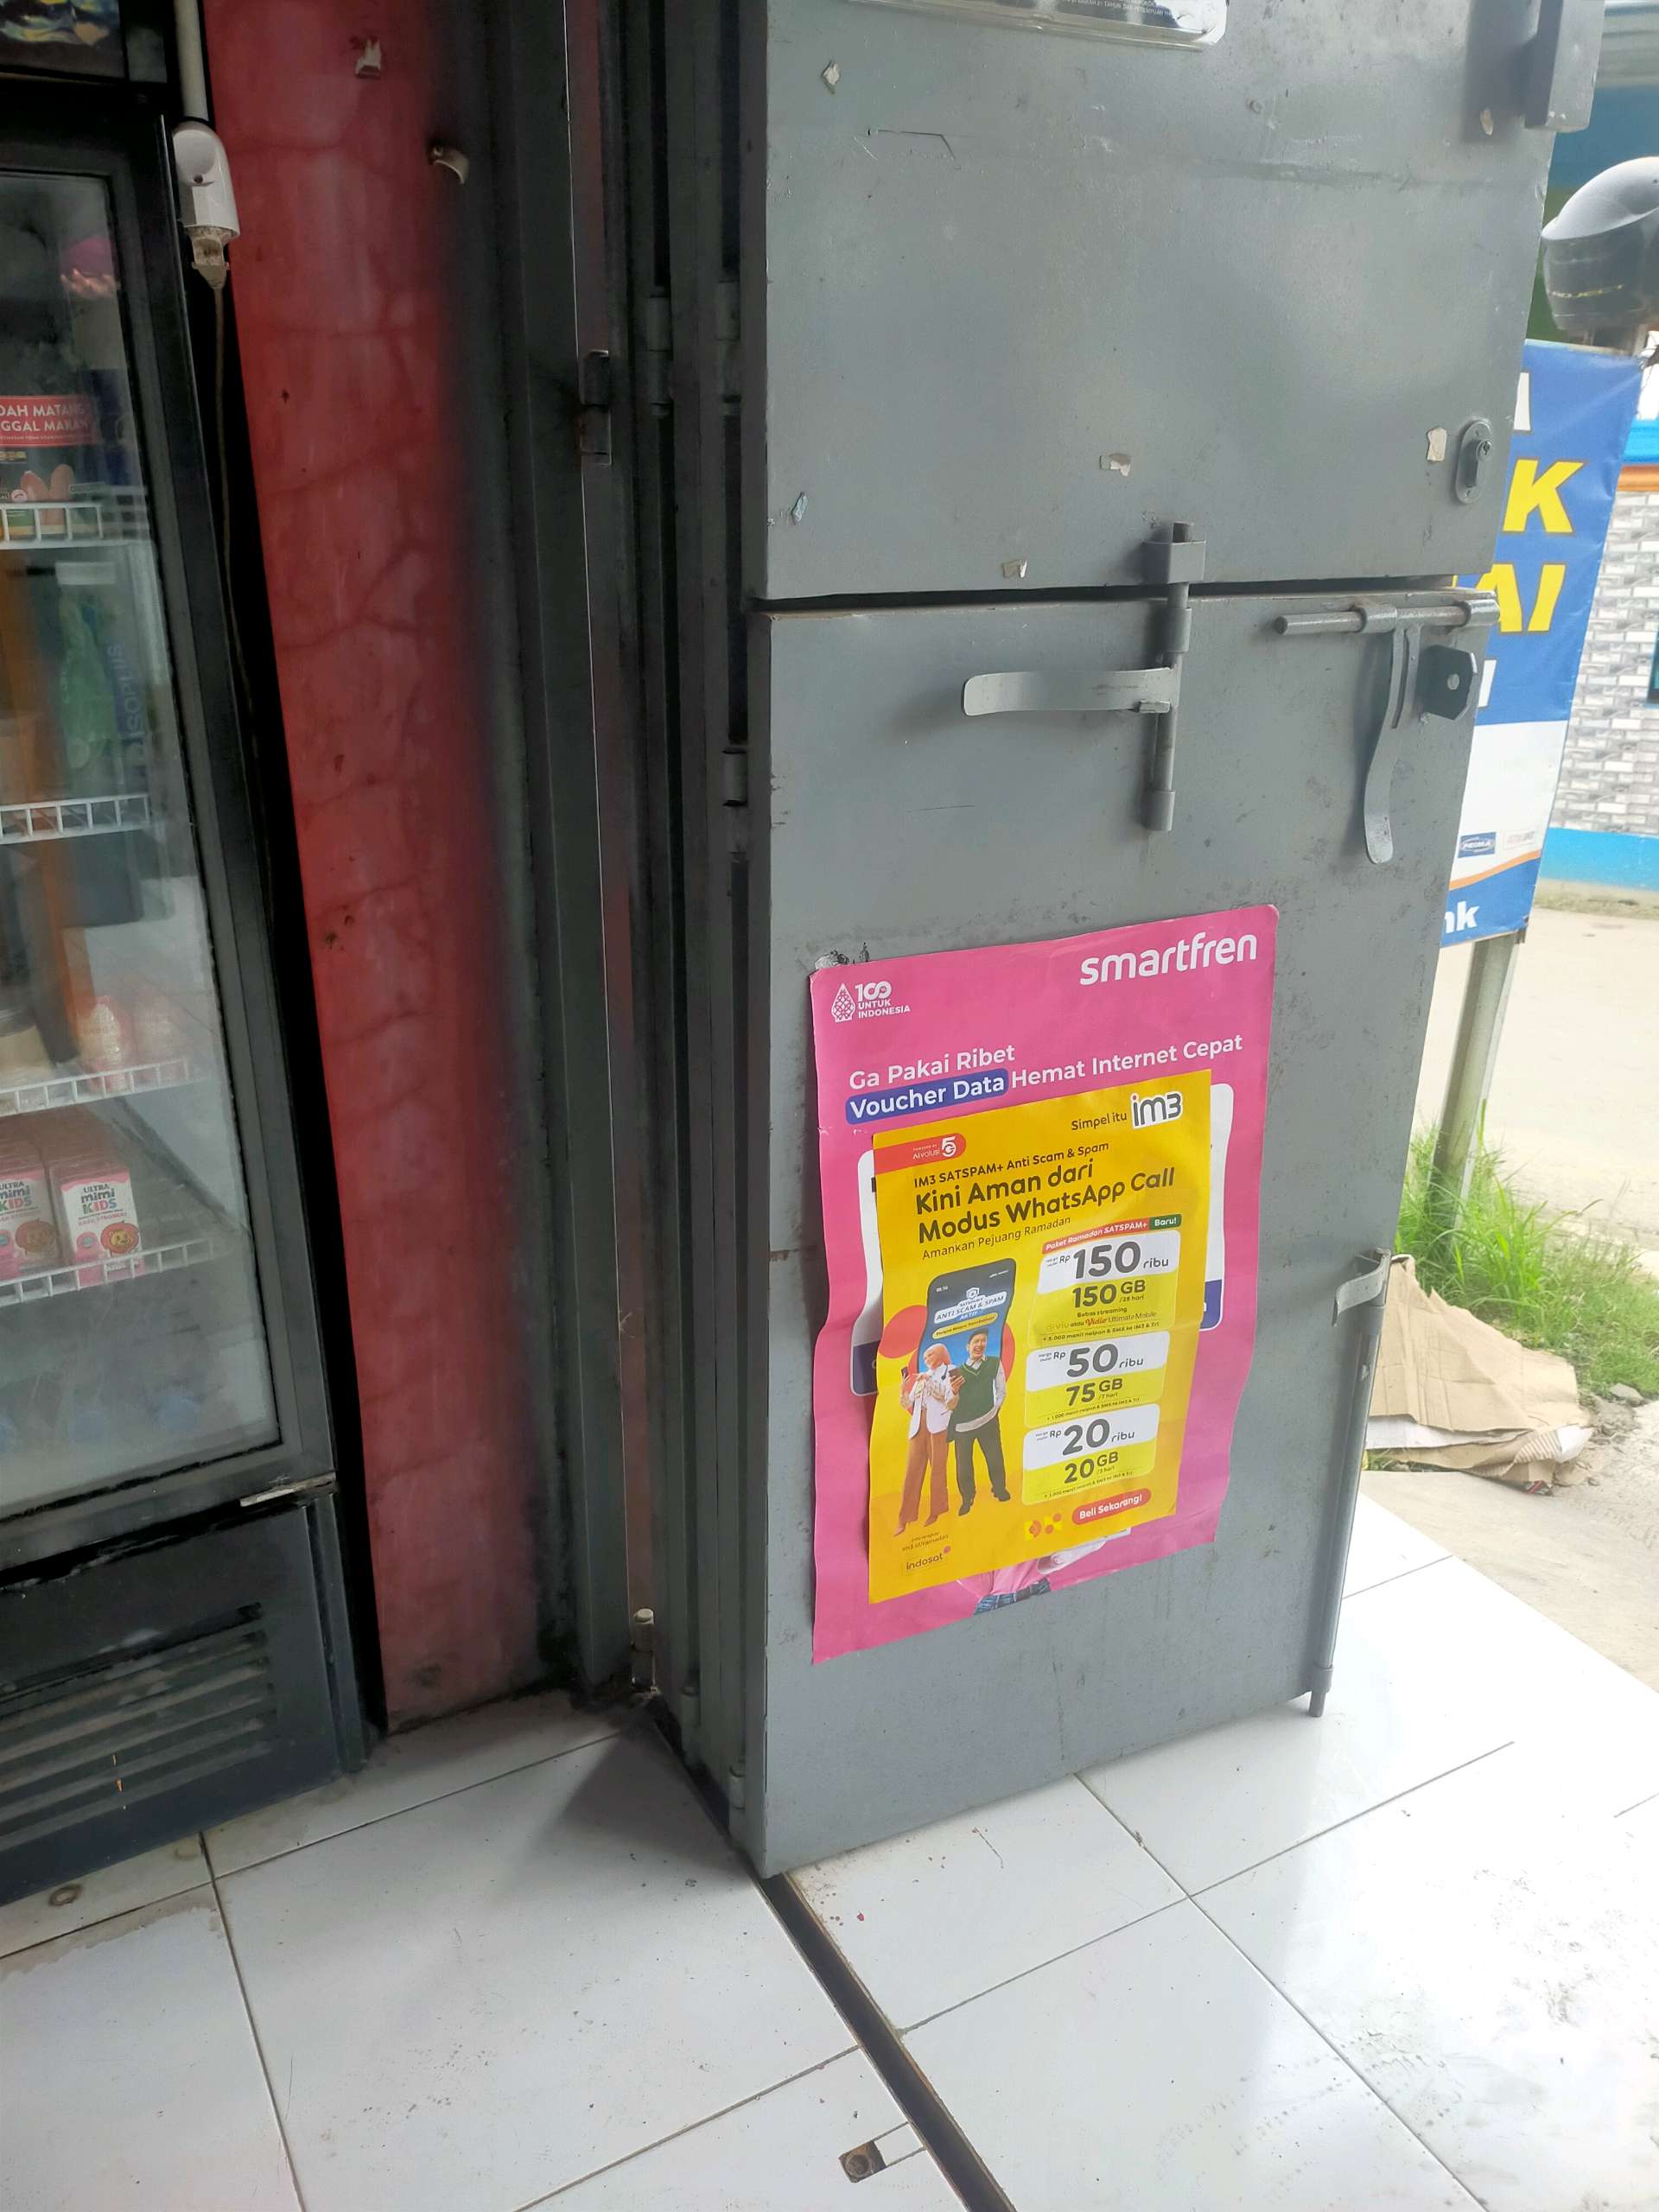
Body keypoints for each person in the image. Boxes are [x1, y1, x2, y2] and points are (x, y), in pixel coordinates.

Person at [895, 1342, 959, 1535]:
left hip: (939, 1426)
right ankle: (904, 1518)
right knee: (912, 1470)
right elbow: (908, 1403)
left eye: (930, 1354)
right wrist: (902, 1390)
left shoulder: (952, 1370)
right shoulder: (922, 1377)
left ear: (941, 1354)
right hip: (918, 1425)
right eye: (925, 1357)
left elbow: (948, 1398)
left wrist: (928, 1381)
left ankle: (937, 1511)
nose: (927, 1359)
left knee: (937, 1469)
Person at [950, 1327, 1010, 1513]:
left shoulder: (994, 1363)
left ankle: (999, 1488)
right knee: (963, 1467)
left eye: (983, 1340)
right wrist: (953, 1391)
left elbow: (1001, 1390)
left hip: (988, 1420)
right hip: (963, 1427)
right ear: (968, 1347)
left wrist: (996, 1409)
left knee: (995, 1457)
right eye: (976, 1341)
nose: (980, 1344)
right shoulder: (956, 1372)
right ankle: (967, 1498)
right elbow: (950, 1404)